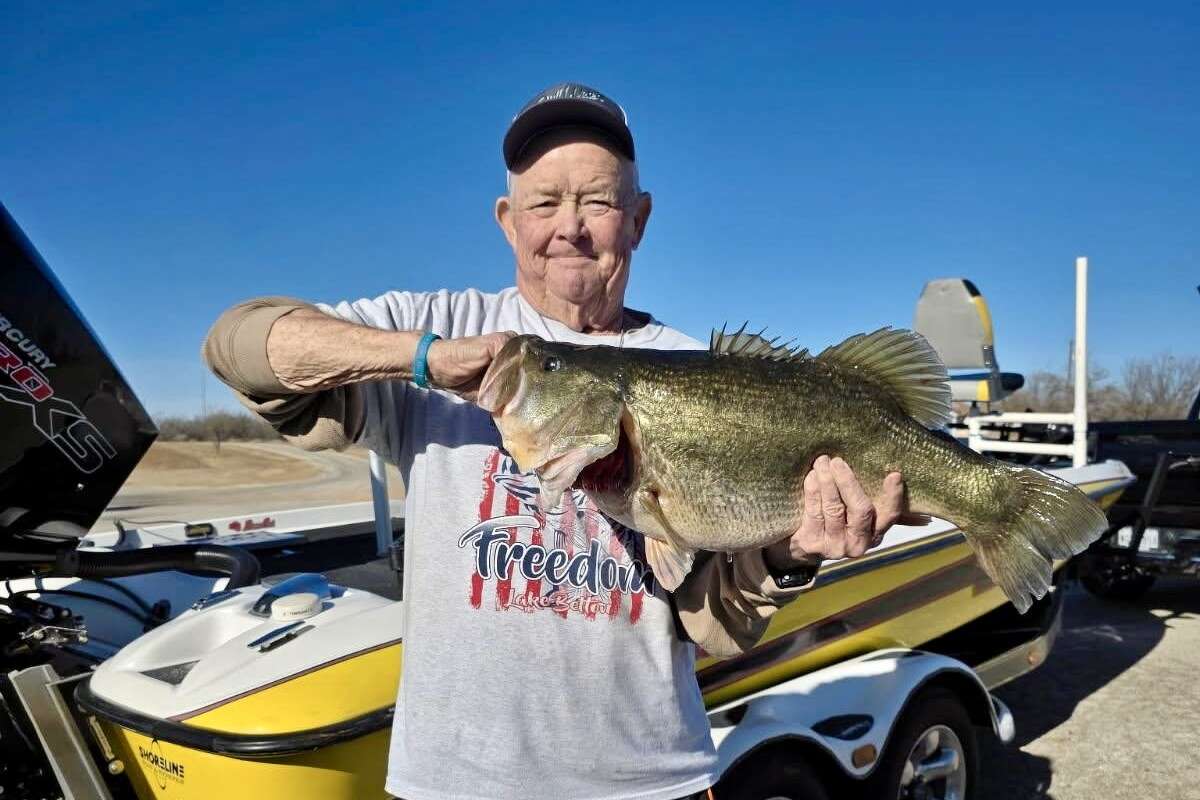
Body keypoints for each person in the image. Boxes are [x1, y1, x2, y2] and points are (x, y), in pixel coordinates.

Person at [203, 82, 906, 800]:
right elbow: (241, 346)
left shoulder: (701, 371)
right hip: (454, 784)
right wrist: (422, 358)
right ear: (508, 221)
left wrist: (792, 552)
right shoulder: (437, 325)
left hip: (650, 781)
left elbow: (715, 628)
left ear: (638, 220)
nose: (570, 226)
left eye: (597, 202)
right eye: (544, 202)